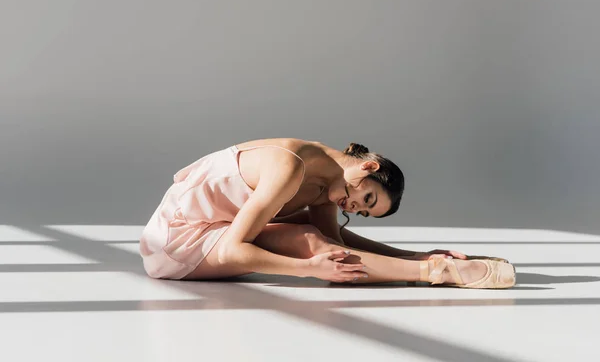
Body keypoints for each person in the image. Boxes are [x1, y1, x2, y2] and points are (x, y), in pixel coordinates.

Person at [139, 138, 515, 288]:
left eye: (364, 212)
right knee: (307, 240)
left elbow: (337, 242)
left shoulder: (323, 182)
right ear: (367, 168)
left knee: (316, 236)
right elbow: (233, 251)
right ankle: (442, 275)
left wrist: (411, 252)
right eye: (366, 199)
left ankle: (427, 265)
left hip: (217, 227)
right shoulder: (289, 167)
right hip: (175, 242)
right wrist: (308, 268)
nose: (353, 208)